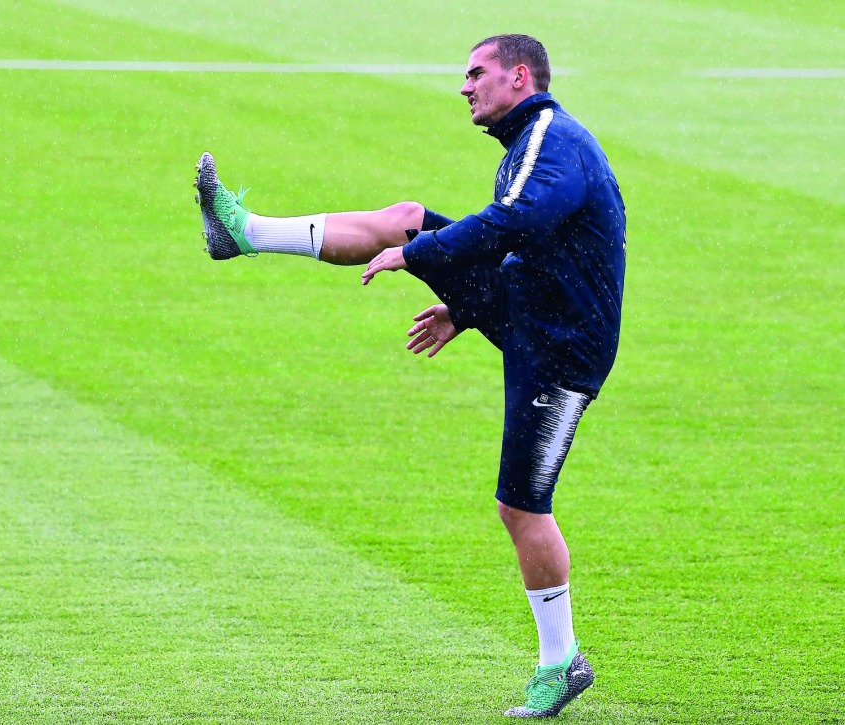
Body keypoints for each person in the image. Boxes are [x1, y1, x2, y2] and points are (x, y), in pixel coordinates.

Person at [193, 34, 625, 718]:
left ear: (520, 76)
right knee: (404, 218)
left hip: (561, 351)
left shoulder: (550, 135)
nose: (465, 87)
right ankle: (244, 232)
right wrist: (465, 303)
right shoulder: (529, 139)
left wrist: (421, 258)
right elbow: (533, 246)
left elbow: (519, 220)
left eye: (476, 73)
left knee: (521, 507)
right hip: (532, 311)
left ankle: (561, 661)